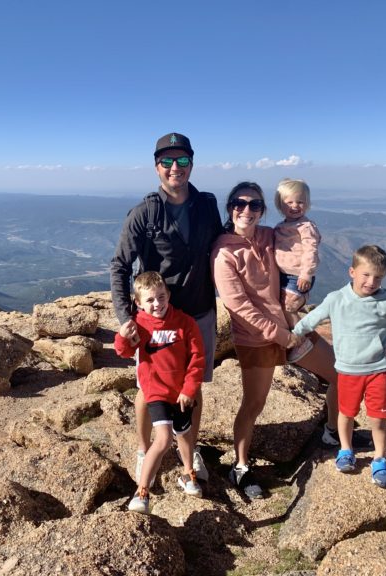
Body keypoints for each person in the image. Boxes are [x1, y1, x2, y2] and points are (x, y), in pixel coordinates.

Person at [211, 182, 343, 499]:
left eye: (255, 205)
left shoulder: (269, 236)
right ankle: (240, 467)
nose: (247, 210)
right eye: (239, 204)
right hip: (259, 339)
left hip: (291, 325)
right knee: (253, 404)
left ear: (263, 209)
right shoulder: (223, 253)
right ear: (230, 208)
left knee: (340, 373)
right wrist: (282, 336)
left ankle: (332, 433)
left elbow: (301, 247)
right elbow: (240, 308)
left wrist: (307, 277)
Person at [110, 132, 224, 488]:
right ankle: (145, 448)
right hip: (156, 316)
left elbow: (221, 248)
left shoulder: (207, 204)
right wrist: (127, 319)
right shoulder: (145, 212)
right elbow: (119, 266)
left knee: (194, 383)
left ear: (192, 163)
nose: (176, 168)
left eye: (183, 161)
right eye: (168, 162)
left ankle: (189, 449)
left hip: (200, 310)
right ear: (156, 166)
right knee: (150, 387)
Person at [293, 245, 386, 488]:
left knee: (378, 420)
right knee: (346, 414)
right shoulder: (336, 299)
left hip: (377, 371)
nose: (371, 282)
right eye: (366, 274)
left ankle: (380, 459)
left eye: (378, 277)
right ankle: (345, 450)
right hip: (347, 371)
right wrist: (295, 334)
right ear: (352, 271)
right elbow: (312, 319)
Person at [114, 271, 205, 513]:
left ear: (169, 295)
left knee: (185, 435)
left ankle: (189, 474)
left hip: (181, 393)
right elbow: (123, 351)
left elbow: (197, 359)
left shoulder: (185, 323)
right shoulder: (139, 325)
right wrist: (122, 336)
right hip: (155, 392)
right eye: (150, 300)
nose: (157, 304)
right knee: (164, 438)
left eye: (161, 297)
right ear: (138, 303)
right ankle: (141, 491)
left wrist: (189, 389)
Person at [273, 178, 321, 363]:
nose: (295, 206)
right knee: (278, 307)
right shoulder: (281, 226)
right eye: (289, 202)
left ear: (307, 204)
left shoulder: (306, 227)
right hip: (284, 276)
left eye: (300, 202)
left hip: (297, 276)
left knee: (288, 307)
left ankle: (301, 339)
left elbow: (311, 251)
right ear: (280, 204)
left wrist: (306, 273)